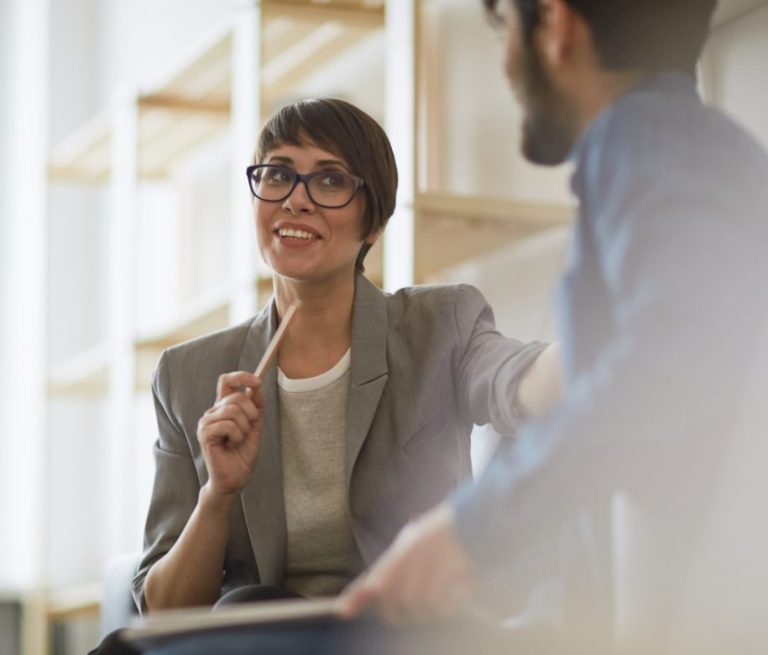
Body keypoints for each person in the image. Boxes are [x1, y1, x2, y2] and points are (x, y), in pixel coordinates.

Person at [339, 0, 768, 653]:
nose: (507, 64)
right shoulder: (705, 150)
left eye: (506, 27)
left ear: (558, 25)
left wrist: (468, 533)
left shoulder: (642, 134)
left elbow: (668, 364)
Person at [90, 98, 560, 654]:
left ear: (374, 222)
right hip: (260, 638)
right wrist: (218, 492)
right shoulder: (187, 375)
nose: (296, 199)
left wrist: (602, 354)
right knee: (230, 612)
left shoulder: (439, 325)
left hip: (400, 627)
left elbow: (512, 378)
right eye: (279, 173)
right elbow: (166, 614)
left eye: (330, 180)